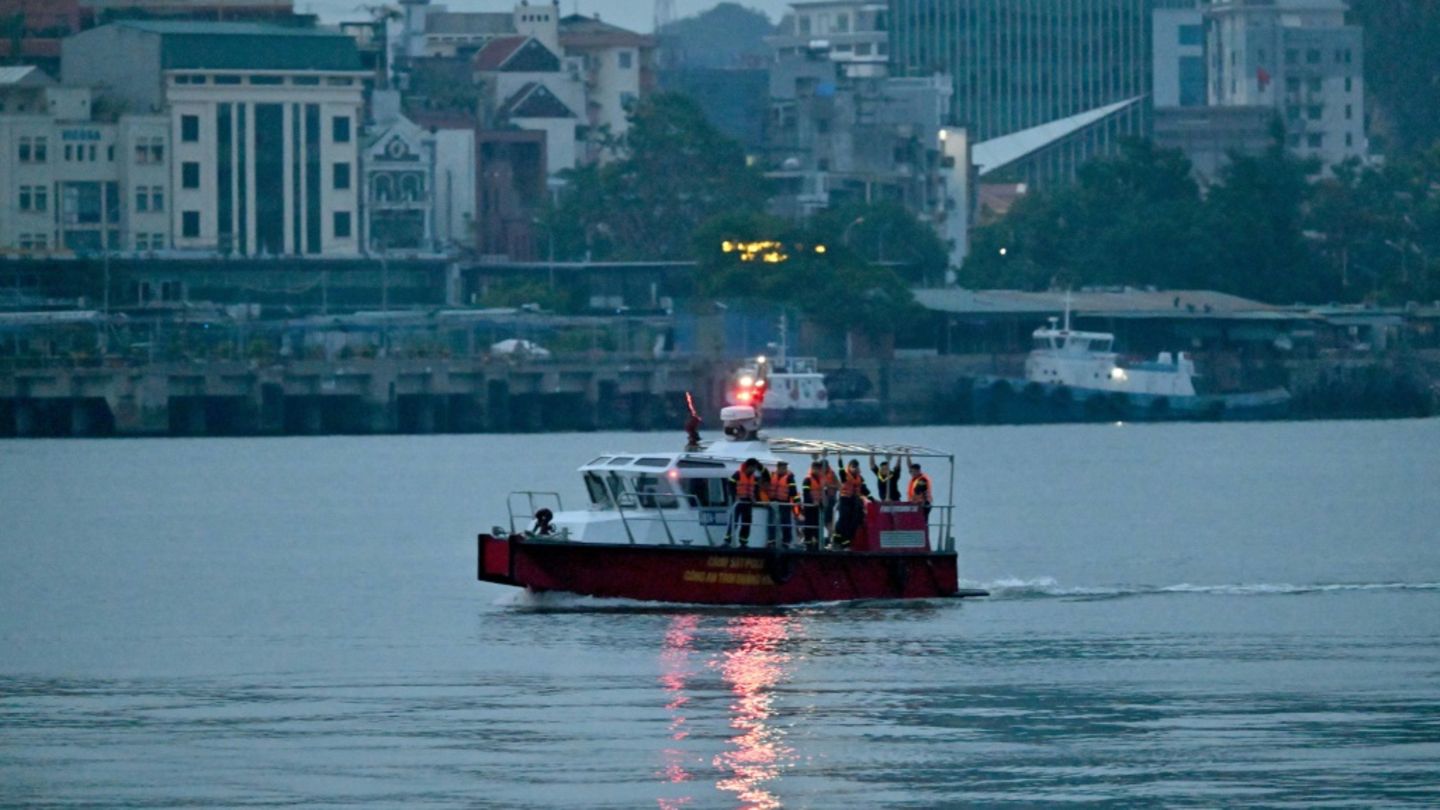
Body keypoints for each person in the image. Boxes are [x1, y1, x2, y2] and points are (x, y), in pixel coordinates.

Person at [725, 458, 765, 547]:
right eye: (754, 467)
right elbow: (730, 485)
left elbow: (755, 489)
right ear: (749, 467)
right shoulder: (737, 474)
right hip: (738, 502)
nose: (755, 470)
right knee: (734, 521)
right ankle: (727, 541)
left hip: (748, 502)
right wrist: (735, 495)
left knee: (747, 522)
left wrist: (755, 498)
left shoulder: (753, 477)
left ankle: (743, 542)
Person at [832, 457, 870, 549]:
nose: (854, 469)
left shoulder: (860, 478)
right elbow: (840, 469)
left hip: (854, 501)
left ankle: (846, 540)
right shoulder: (844, 475)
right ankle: (840, 541)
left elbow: (865, 490)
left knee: (853, 521)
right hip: (844, 499)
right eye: (852, 467)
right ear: (849, 467)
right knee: (843, 520)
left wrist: (869, 498)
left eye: (856, 467)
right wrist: (839, 458)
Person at [765, 460, 800, 547]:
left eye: (785, 467)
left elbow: (793, 491)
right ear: (778, 468)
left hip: (785, 503)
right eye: (782, 467)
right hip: (773, 502)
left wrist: (796, 502)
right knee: (772, 522)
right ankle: (771, 540)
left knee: (786, 522)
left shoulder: (790, 477)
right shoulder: (772, 475)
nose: (784, 469)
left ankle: (786, 541)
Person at [801, 460, 827, 550]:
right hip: (809, 507)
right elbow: (806, 493)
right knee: (809, 525)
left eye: (819, 469)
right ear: (812, 469)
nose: (817, 471)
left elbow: (824, 492)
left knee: (818, 526)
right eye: (815, 469)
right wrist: (812, 502)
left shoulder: (821, 480)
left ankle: (818, 544)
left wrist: (823, 501)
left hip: (818, 507)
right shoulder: (807, 480)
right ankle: (808, 544)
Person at [906, 455, 933, 520]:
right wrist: (907, 455)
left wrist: (911, 502)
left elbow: (917, 491)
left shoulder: (922, 480)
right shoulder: (915, 478)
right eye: (911, 472)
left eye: (914, 471)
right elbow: (909, 466)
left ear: (918, 471)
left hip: (923, 504)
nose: (912, 473)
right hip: (917, 504)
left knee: (922, 521)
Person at [820, 458, 840, 537]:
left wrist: (829, 486)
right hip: (821, 499)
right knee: (824, 520)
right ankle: (829, 537)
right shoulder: (819, 474)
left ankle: (831, 537)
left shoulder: (832, 474)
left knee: (827, 520)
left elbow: (839, 486)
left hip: (830, 499)